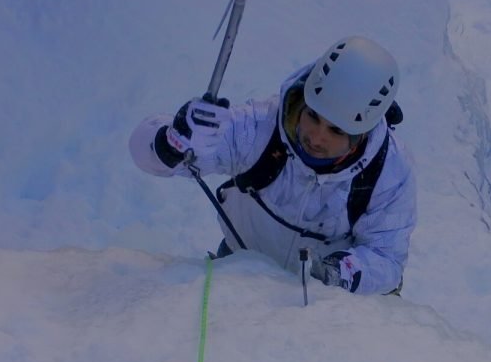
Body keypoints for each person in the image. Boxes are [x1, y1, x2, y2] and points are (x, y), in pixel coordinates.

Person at [130, 36, 416, 295]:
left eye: (336, 131)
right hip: (241, 268)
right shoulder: (261, 128)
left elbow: (387, 258)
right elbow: (145, 153)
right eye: (313, 116)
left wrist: (336, 273)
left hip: (327, 302)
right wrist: (169, 143)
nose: (316, 137)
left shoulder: (388, 172)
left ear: (361, 134)